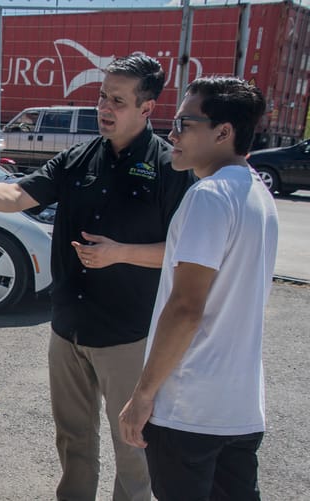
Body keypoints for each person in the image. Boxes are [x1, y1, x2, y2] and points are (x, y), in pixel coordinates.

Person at [0, 55, 195, 501]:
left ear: (147, 108)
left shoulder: (170, 168)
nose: (104, 108)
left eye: (118, 101)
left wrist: (119, 254)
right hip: (68, 329)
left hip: (128, 337)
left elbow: (183, 254)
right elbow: (18, 194)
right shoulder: (79, 157)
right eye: (101, 97)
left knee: (134, 449)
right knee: (72, 441)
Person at [118, 77, 276, 500]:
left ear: (223, 132)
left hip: (189, 410)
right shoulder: (259, 192)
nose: (171, 134)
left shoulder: (208, 196)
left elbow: (187, 307)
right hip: (240, 411)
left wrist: (142, 395)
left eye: (184, 123)